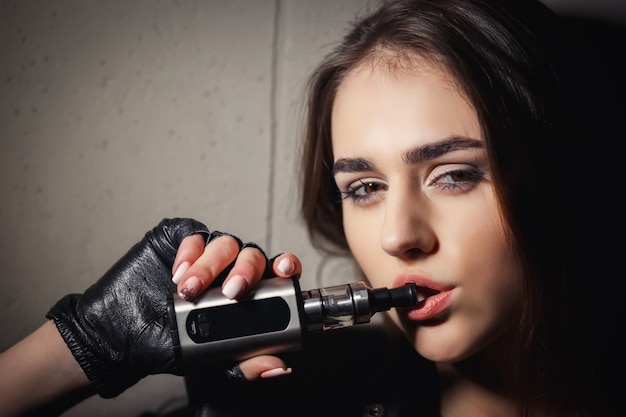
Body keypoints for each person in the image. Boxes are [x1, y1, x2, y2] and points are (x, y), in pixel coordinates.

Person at [0, 0, 621, 416]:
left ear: (560, 173)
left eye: (454, 175)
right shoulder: (309, 394)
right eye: (365, 188)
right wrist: (85, 344)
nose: (398, 238)